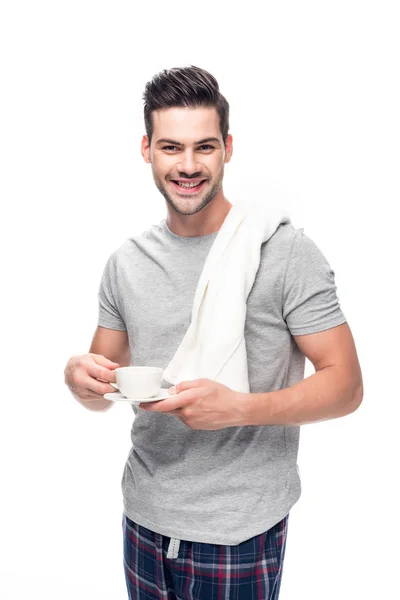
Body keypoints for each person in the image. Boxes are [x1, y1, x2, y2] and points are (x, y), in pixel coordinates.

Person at [64, 65, 363, 600]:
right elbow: (102, 389)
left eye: (204, 147)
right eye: (171, 147)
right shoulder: (125, 263)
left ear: (227, 148)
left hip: (240, 529)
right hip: (144, 518)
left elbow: (346, 387)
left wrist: (242, 409)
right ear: (146, 149)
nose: (187, 165)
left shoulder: (284, 250)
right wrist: (77, 377)